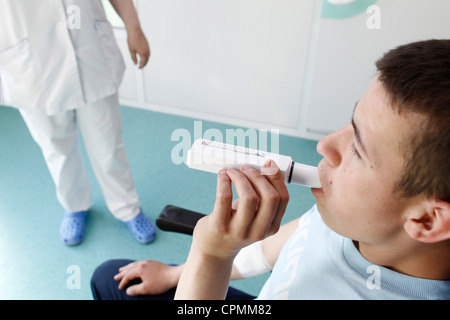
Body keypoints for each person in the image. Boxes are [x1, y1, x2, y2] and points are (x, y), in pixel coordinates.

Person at [91, 39, 450, 299]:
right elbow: (284, 245)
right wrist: (176, 273)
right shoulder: (357, 216)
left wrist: (211, 254)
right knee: (111, 277)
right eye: (350, 123)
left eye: (357, 147)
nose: (325, 146)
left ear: (427, 221)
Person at [0, 0, 156, 245]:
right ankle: (74, 206)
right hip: (30, 65)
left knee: (109, 145)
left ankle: (127, 208)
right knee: (56, 148)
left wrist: (133, 27)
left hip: (90, 51)